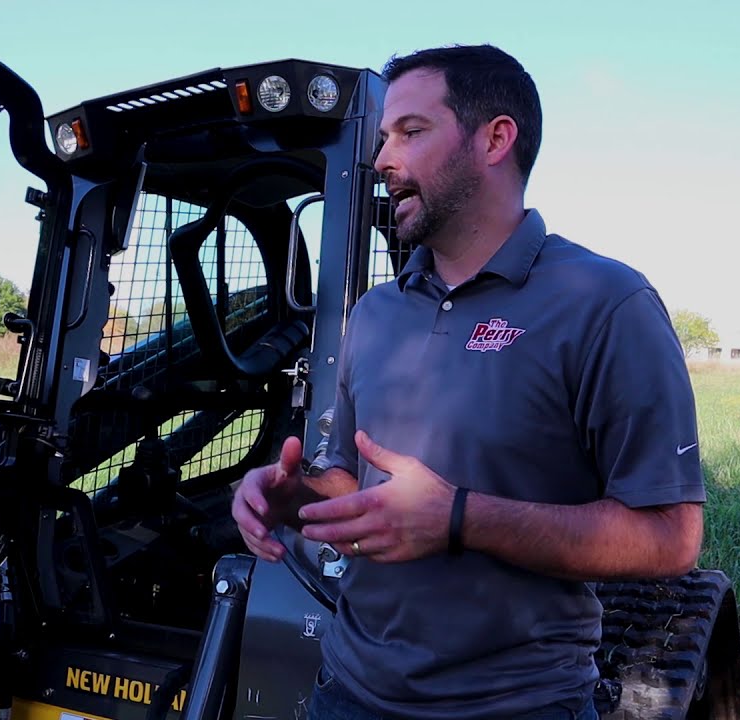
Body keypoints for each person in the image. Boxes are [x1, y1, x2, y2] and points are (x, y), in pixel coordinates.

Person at [231, 43, 707, 720]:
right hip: (347, 693)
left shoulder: (606, 303)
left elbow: (670, 537)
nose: (382, 160)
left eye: (411, 132)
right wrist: (289, 497)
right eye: (383, 137)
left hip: (517, 705)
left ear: (495, 138)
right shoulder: (374, 315)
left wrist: (459, 518)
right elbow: (353, 484)